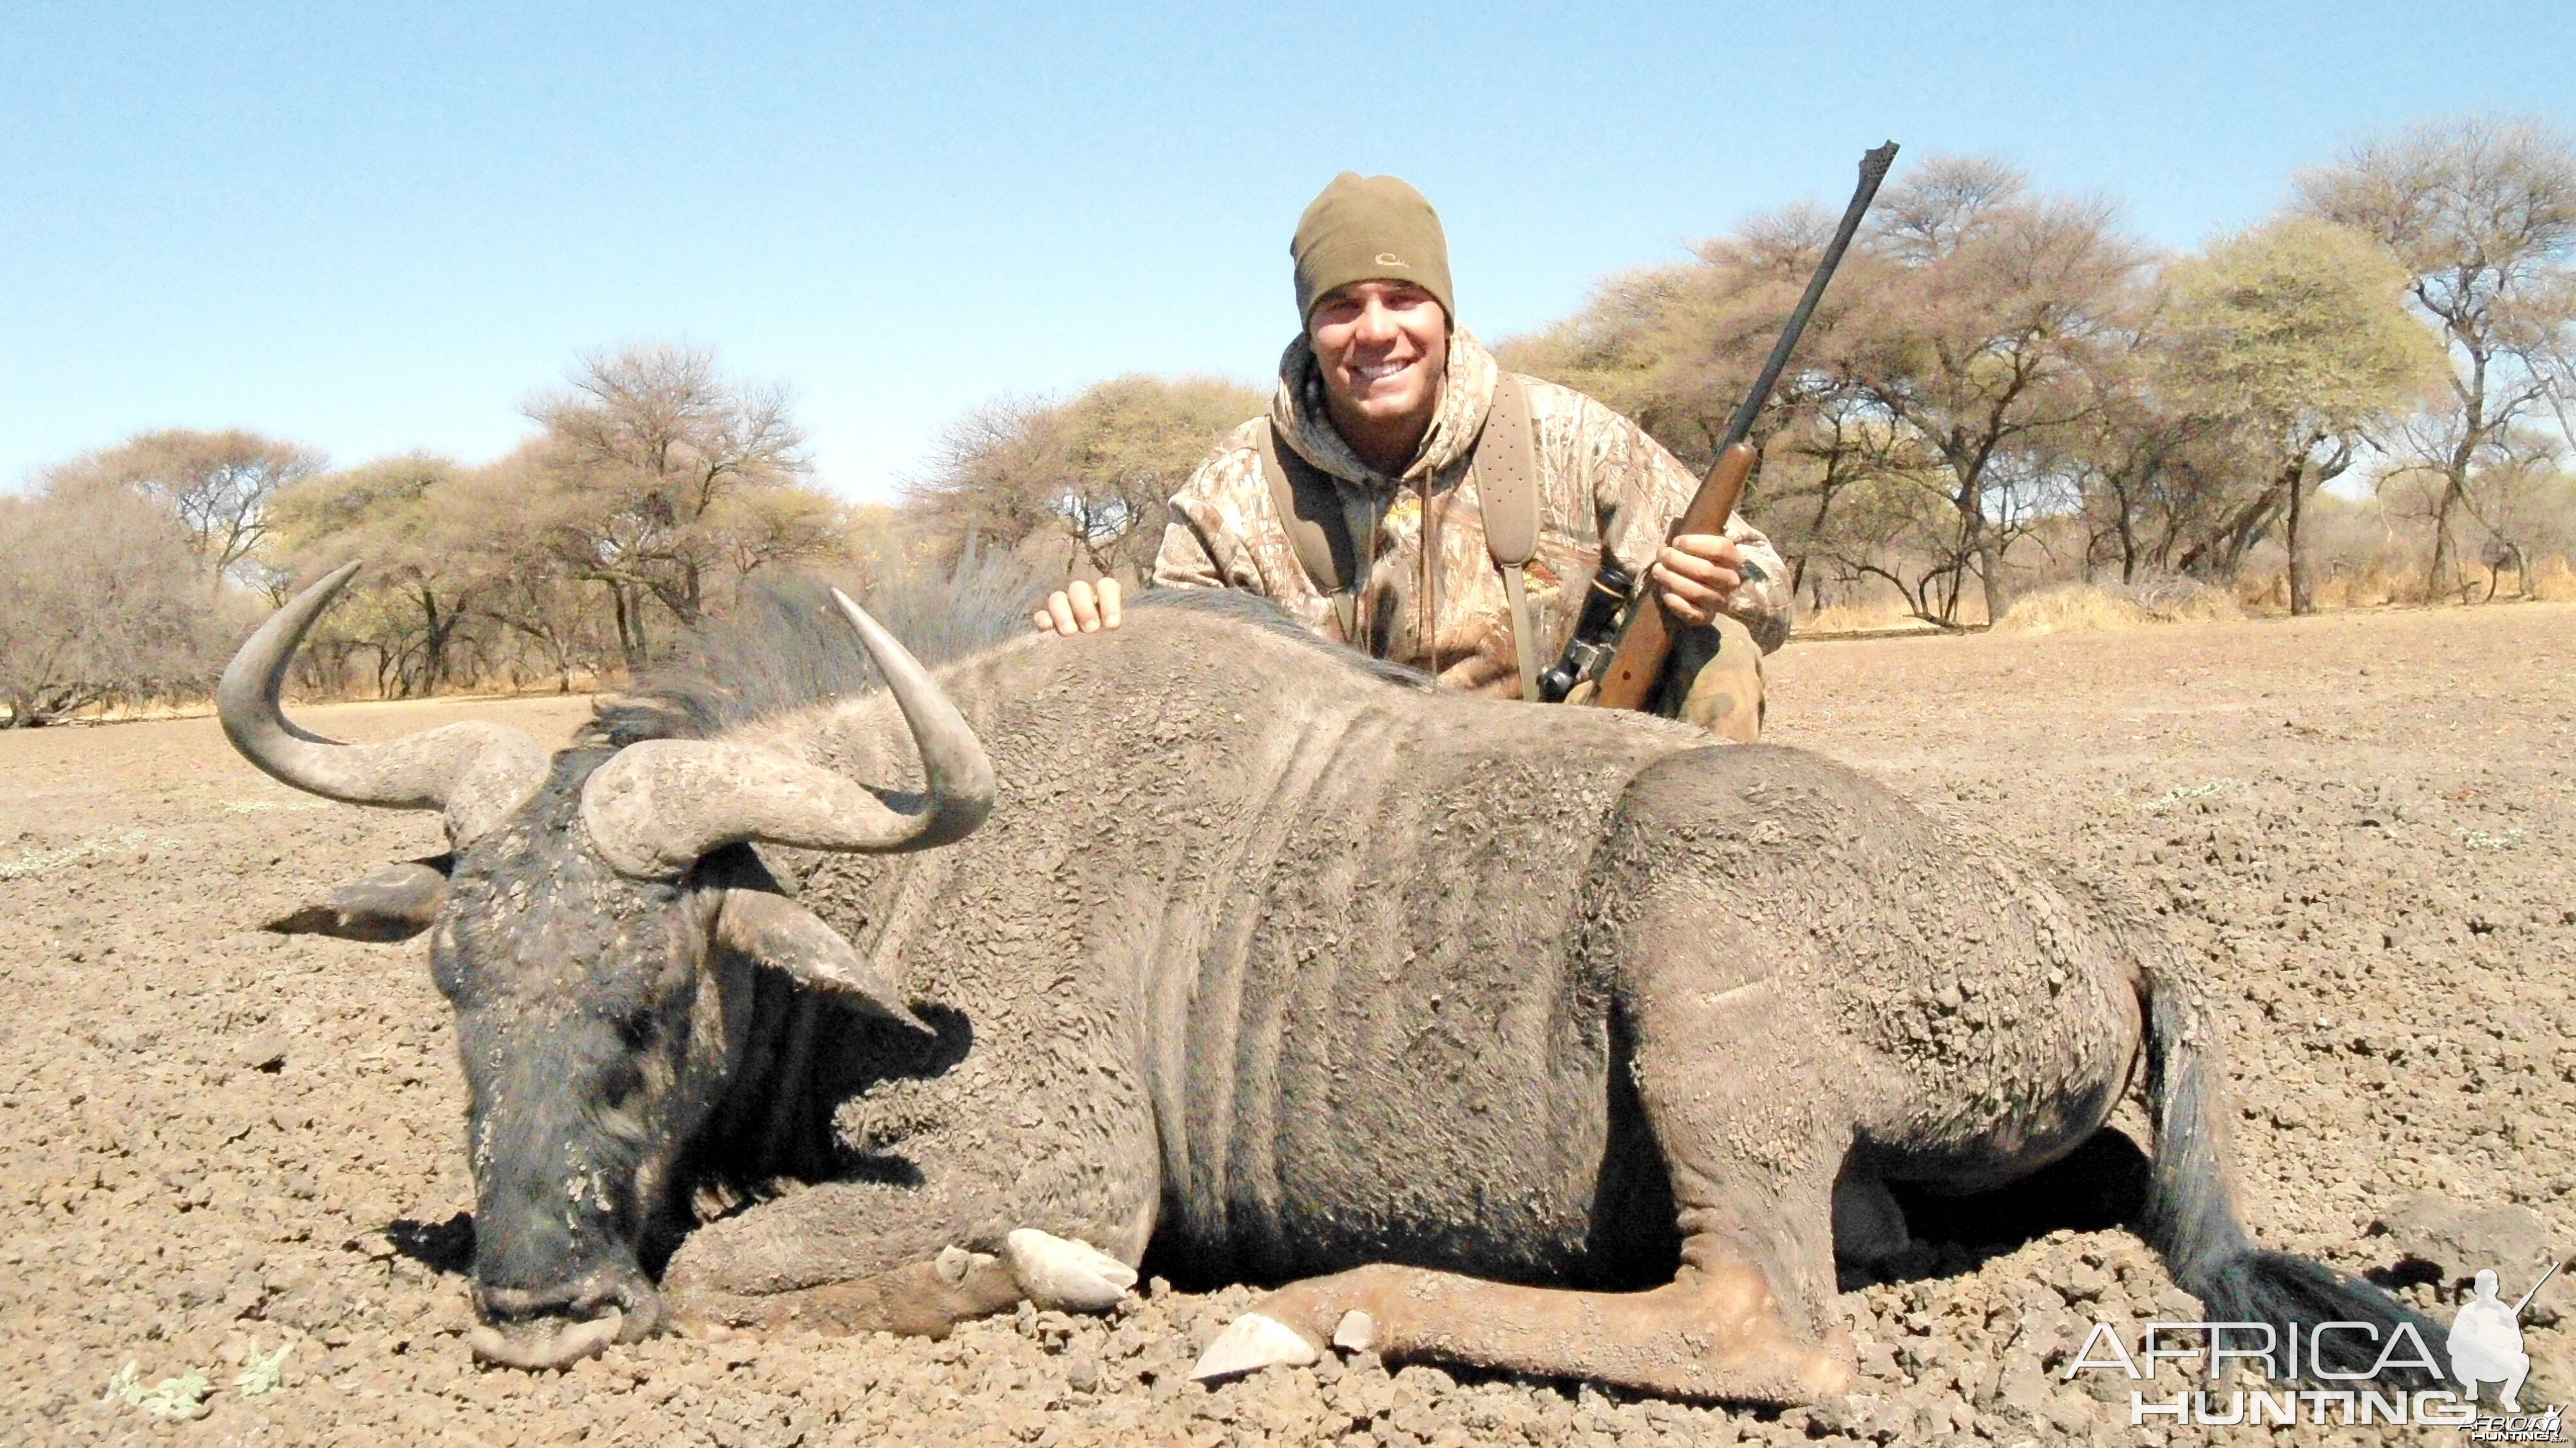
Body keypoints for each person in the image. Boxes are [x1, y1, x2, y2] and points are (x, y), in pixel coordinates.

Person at [1036, 173, 1791, 739]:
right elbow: (1177, 666)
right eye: (1342, 305)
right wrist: (1101, 634)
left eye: (1402, 298)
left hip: (1565, 776)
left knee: (1716, 650)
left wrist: (1720, 583)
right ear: (1309, 326)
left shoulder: (1572, 436)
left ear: (1444, 314)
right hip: (1346, 831)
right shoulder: (1231, 494)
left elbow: (1764, 579)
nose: (1374, 331)